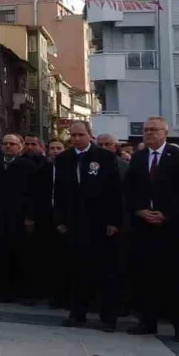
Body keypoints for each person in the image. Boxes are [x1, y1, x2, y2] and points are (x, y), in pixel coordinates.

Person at [123, 116, 179, 341]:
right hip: (144, 227)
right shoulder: (138, 158)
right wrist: (139, 211)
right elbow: (129, 190)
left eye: (154, 130)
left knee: (174, 279)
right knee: (145, 277)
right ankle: (147, 321)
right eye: (146, 130)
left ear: (165, 132)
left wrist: (167, 213)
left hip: (170, 229)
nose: (149, 133)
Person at [54, 120, 123, 332]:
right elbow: (59, 192)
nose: (76, 139)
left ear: (89, 135)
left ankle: (108, 317)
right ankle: (77, 314)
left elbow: (115, 192)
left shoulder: (105, 157)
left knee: (105, 273)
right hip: (73, 223)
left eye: (80, 135)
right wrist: (60, 220)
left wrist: (114, 221)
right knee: (76, 272)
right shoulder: (64, 159)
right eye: (72, 135)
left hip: (100, 223)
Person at [0, 133, 38, 303]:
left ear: (20, 146)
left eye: (12, 144)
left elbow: (34, 194)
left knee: (21, 256)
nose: (8, 146)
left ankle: (22, 292)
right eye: (5, 144)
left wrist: (30, 217)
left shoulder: (28, 166)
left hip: (20, 218)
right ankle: (1, 291)